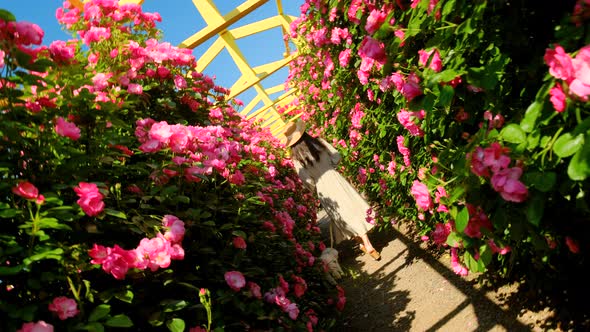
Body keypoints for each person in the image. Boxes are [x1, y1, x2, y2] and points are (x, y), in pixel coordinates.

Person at [281, 119, 381, 260]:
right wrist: (330, 166)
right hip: (335, 178)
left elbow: (307, 180)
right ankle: (366, 243)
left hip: (322, 187)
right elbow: (336, 156)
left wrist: (314, 186)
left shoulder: (297, 159)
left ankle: (364, 243)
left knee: (341, 214)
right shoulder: (319, 142)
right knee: (352, 207)